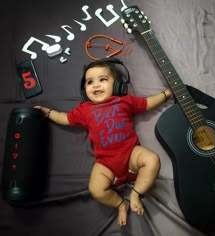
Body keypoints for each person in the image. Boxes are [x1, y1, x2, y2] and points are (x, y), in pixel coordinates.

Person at [34, 59, 172, 227]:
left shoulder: (125, 101)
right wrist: (48, 113)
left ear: (117, 85)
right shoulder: (84, 110)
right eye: (90, 82)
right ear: (84, 89)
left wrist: (165, 95)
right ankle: (121, 203)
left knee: (152, 160)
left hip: (131, 155)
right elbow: (64, 118)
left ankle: (136, 193)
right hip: (106, 164)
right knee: (96, 190)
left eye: (103, 80)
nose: (96, 85)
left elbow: (148, 103)